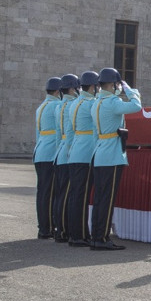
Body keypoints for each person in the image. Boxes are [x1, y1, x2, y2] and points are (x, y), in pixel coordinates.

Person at [88, 68, 142, 250]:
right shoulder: (112, 101)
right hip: (111, 156)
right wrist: (131, 91)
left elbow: (96, 133)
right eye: (117, 84)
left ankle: (96, 236)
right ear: (112, 85)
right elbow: (136, 106)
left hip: (100, 152)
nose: (118, 87)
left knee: (99, 199)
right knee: (107, 199)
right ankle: (102, 238)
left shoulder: (96, 103)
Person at [64, 71, 100, 248]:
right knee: (82, 195)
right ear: (93, 87)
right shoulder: (91, 104)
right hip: (86, 152)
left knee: (75, 195)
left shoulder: (74, 103)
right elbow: (96, 130)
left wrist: (70, 150)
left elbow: (69, 132)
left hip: (75, 151)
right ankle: (80, 235)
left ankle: (74, 233)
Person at [33, 77, 63, 239]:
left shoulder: (41, 107)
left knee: (43, 192)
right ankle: (48, 228)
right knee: (51, 193)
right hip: (51, 152)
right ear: (58, 92)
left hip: (40, 152)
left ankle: (43, 226)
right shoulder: (57, 106)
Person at [51, 73, 79, 243]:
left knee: (61, 194)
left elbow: (57, 133)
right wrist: (70, 150)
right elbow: (69, 132)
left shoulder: (59, 106)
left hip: (59, 151)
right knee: (67, 194)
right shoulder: (71, 105)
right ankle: (63, 230)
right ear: (71, 88)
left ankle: (59, 228)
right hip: (67, 152)